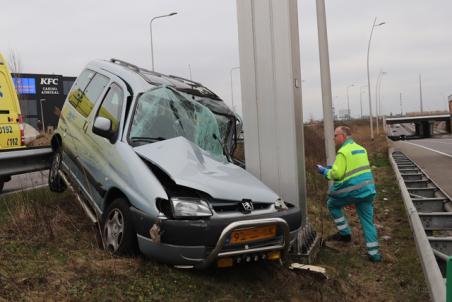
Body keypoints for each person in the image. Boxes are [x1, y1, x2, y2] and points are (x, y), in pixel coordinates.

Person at [316, 126, 381, 262]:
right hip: (368, 190)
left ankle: (345, 234)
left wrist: (324, 171)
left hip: (354, 191)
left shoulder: (343, 152)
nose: (334, 138)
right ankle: (374, 255)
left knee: (332, 204)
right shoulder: (361, 149)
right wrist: (333, 168)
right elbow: (353, 169)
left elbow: (337, 174)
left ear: (343, 136)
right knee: (368, 222)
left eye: (335, 135)